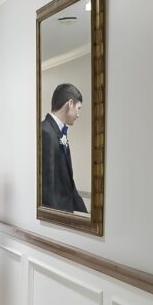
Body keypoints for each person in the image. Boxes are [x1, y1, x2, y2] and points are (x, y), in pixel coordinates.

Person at [41, 83, 87, 213]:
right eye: (79, 108)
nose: (78, 114)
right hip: (57, 219)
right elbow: (47, 189)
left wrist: (84, 214)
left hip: (68, 214)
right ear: (70, 103)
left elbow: (69, 184)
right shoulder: (45, 132)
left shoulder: (59, 132)